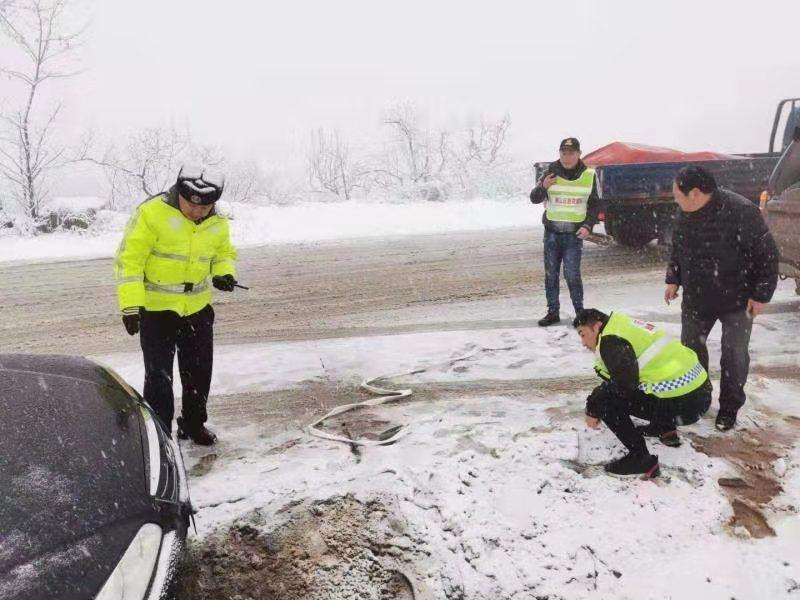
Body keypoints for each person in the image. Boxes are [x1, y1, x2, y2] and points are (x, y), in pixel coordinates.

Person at [114, 167, 239, 445]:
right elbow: (129, 261)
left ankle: (193, 424)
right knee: (159, 378)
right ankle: (160, 434)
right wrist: (131, 306)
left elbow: (223, 253)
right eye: (191, 205)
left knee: (199, 373)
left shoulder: (217, 220)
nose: (197, 212)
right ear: (179, 194)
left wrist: (224, 272)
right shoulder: (151, 214)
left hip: (198, 308)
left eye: (205, 207)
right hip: (157, 310)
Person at [665, 166, 779, 432]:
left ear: (695, 193)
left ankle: (729, 408)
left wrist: (761, 295)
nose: (674, 199)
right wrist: (673, 277)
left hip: (737, 300)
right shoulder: (685, 211)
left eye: (677, 194)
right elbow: (678, 247)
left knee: (734, 356)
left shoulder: (741, 211)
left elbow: (767, 255)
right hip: (696, 297)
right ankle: (697, 400)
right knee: (691, 352)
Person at [575, 309, 712, 477]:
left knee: (606, 401)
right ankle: (664, 426)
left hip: (686, 404)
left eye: (582, 334)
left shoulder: (611, 341)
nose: (583, 342)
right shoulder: (622, 325)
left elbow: (624, 386)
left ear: (596, 327)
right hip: (699, 393)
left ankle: (640, 459)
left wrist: (593, 407)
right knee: (644, 380)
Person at [530, 137, 601, 327]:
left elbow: (595, 205)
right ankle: (553, 312)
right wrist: (543, 186)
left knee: (572, 275)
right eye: (563, 152)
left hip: (573, 235)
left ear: (579, 154)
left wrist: (588, 226)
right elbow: (534, 198)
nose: (566, 157)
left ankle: (580, 313)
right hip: (552, 233)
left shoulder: (589, 175)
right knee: (551, 274)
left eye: (570, 153)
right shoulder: (550, 173)